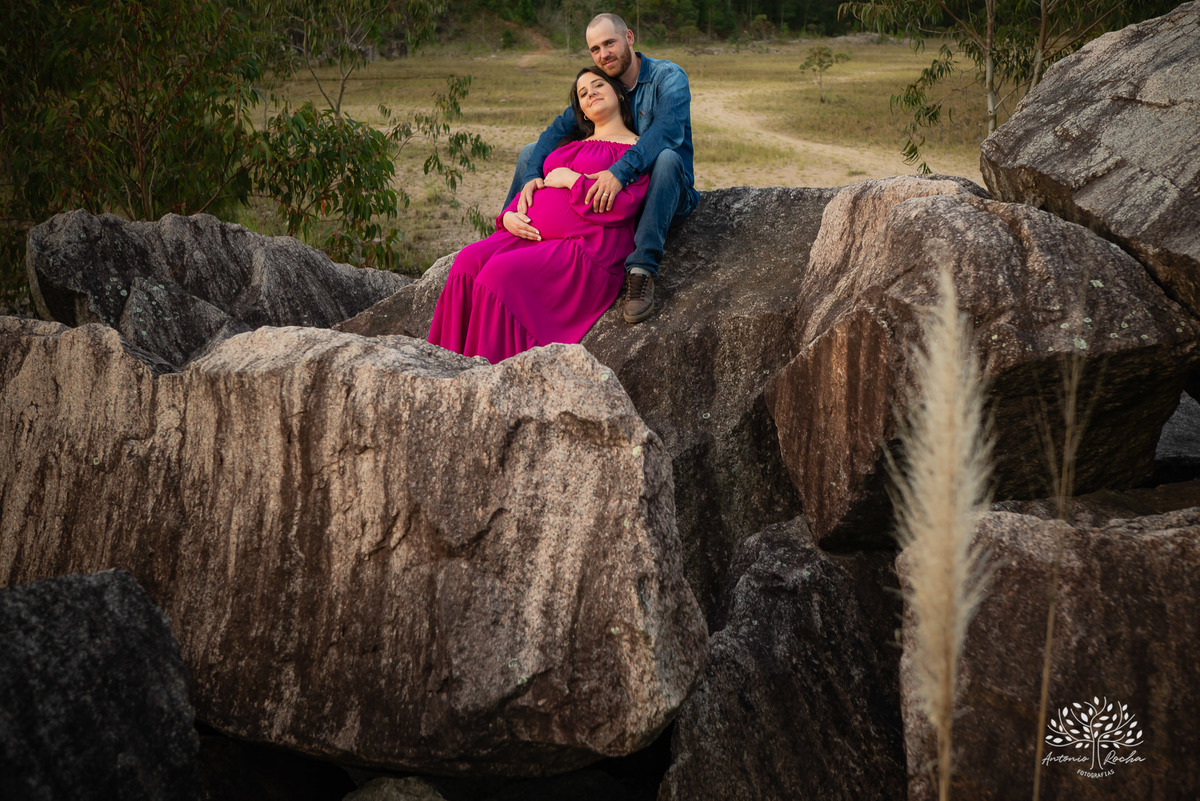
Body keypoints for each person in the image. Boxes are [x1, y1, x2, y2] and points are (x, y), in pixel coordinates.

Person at [427, 67, 649, 363]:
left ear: (619, 94)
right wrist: (507, 217)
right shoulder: (568, 146)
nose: (590, 93)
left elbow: (623, 206)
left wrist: (573, 180)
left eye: (598, 85)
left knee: (499, 275)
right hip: (530, 237)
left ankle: (491, 375)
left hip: (586, 247)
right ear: (581, 111)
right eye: (583, 93)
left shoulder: (634, 150)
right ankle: (447, 363)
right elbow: (534, 188)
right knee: (467, 262)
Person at [505, 13, 699, 323]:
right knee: (531, 153)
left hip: (660, 192)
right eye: (595, 49)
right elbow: (554, 133)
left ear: (629, 38)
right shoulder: (603, 84)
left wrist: (619, 173)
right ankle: (508, 227)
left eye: (610, 43)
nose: (603, 55)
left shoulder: (668, 77)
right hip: (614, 202)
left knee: (666, 157)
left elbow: (666, 133)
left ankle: (641, 271)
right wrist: (532, 175)